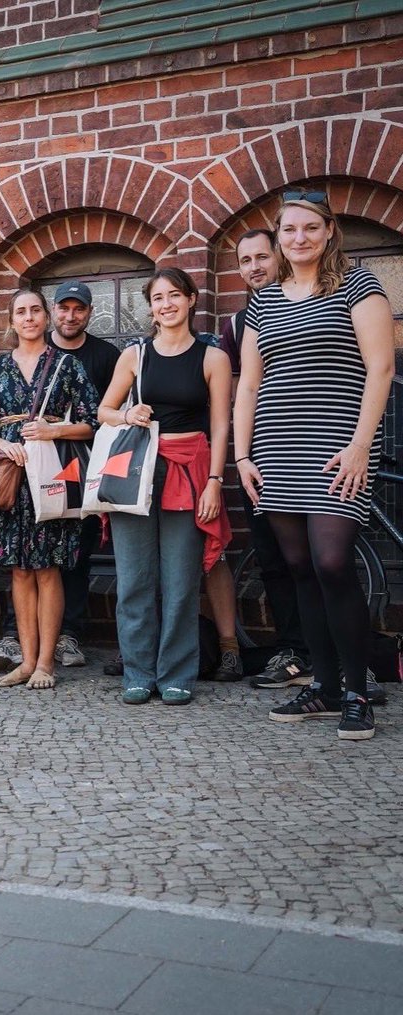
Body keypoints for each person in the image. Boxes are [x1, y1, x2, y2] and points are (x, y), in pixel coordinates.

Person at [233, 189, 393, 741]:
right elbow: (249, 384)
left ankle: (357, 691)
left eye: (309, 228)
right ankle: (323, 686)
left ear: (328, 232)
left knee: (332, 562)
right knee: (300, 567)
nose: (298, 238)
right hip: (276, 450)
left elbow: (380, 368)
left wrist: (361, 446)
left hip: (338, 450)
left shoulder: (358, 285)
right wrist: (242, 455)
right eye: (289, 229)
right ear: (279, 237)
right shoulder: (262, 302)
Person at [98, 268, 232, 705]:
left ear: (191, 299)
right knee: (134, 579)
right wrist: (127, 414)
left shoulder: (212, 357)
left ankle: (176, 674)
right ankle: (138, 672)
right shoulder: (135, 356)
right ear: (151, 307)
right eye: (158, 298)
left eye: (175, 295)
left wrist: (214, 482)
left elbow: (220, 426)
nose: (167, 304)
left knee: (180, 581)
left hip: (189, 472)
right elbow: (103, 411)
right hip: (136, 470)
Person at [0, 280, 118, 672]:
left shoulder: (66, 365)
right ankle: (26, 662)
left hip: (51, 475)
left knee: (47, 568)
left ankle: (45, 663)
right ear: (11, 321)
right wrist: (2, 443)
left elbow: (94, 422)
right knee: (20, 570)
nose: (29, 318)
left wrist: (54, 430)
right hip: (10, 480)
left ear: (46, 318)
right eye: (21, 312)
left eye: (35, 310)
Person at [220, 230, 312, 689]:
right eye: (245, 260)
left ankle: (343, 657)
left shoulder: (318, 301)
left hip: (315, 447)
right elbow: (238, 391)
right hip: (260, 455)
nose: (254, 267)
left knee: (324, 558)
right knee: (274, 558)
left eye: (262, 256)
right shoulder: (237, 325)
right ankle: (294, 651)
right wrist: (242, 454)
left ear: (279, 257)